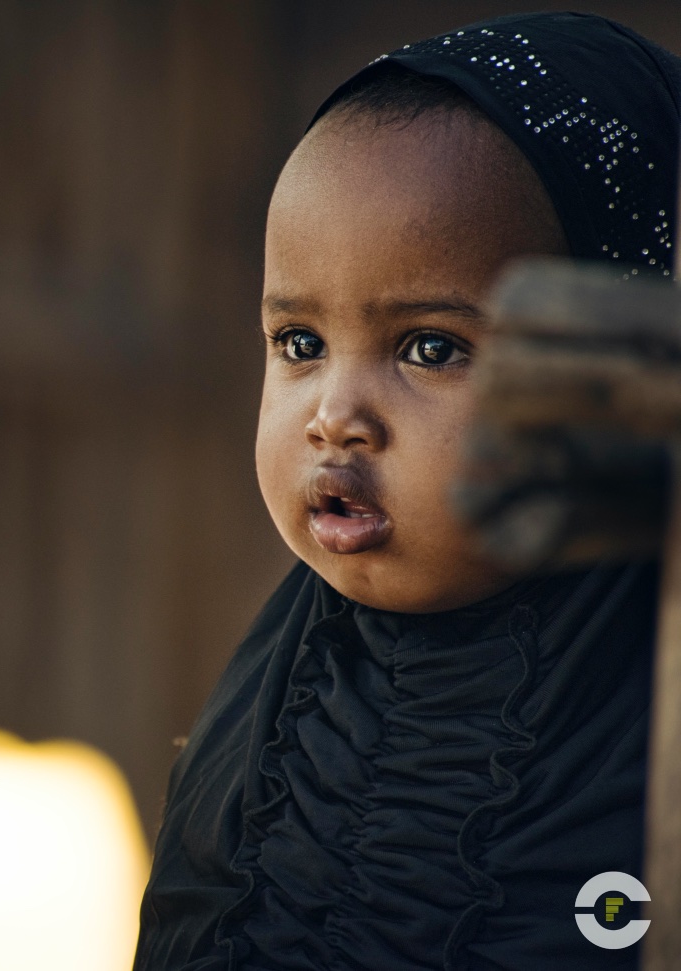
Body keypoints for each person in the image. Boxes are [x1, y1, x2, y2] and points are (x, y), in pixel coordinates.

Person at [135, 13, 680, 970]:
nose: (335, 415)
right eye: (298, 343)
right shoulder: (255, 744)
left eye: (431, 348)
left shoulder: (649, 757)